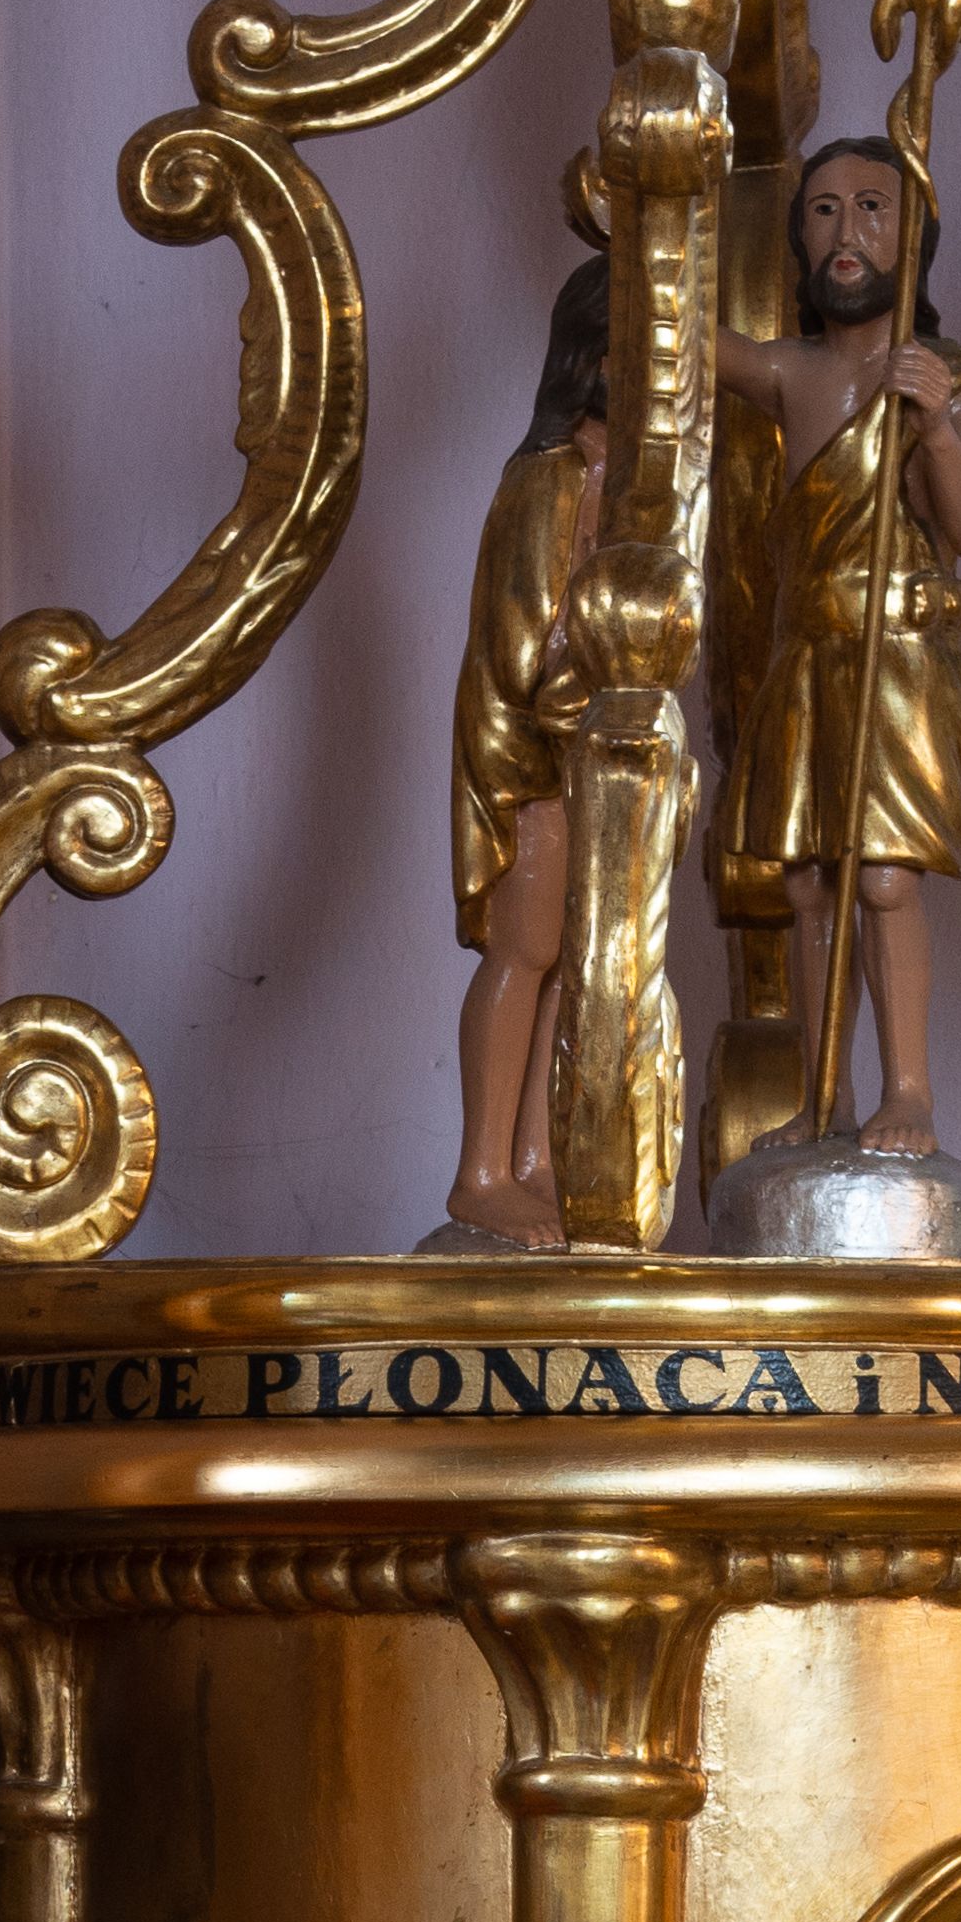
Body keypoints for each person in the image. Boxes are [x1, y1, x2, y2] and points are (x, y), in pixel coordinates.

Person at [713, 141, 961, 1155]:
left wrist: (935, 427)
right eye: (825, 210)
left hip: (898, 656)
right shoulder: (789, 371)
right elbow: (684, 338)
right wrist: (648, 219)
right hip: (807, 653)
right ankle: (822, 1095)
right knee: (808, 883)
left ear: (914, 240)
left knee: (883, 874)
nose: (847, 232)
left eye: (874, 208)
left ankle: (908, 1091)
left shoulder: (949, 378)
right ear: (799, 238)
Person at [440, 253, 609, 1236]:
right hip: (528, 754)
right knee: (525, 944)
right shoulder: (549, 477)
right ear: (588, 359)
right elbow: (521, 640)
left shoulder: (624, 483)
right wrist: (588, 689)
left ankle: (536, 1157)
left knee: (570, 956)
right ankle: (481, 1169)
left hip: (584, 755)